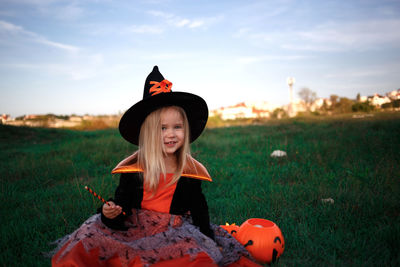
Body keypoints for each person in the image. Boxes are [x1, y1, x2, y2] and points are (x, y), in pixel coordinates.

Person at [51, 66, 261, 267]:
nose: (171, 134)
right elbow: (122, 203)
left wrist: (207, 238)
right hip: (135, 225)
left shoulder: (189, 169)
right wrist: (110, 213)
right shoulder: (134, 168)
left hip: (173, 230)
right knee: (91, 245)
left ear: (185, 130)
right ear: (149, 133)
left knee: (191, 257)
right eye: (162, 128)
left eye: (177, 127)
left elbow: (199, 207)